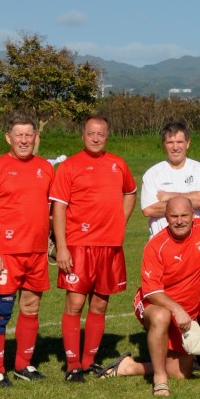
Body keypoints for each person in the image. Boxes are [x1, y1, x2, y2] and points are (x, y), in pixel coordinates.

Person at [101, 196, 200, 396]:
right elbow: (152, 292)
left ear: (193, 216)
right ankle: (159, 380)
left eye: (184, 215)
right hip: (154, 303)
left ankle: (128, 367)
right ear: (165, 217)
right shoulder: (156, 246)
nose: (179, 221)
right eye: (174, 216)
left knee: (181, 373)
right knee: (161, 316)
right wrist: (177, 309)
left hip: (185, 312)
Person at [50, 115, 137, 382]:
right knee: (75, 303)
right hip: (78, 245)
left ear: (107, 136)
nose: (96, 138)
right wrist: (62, 247)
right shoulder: (69, 166)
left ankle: (89, 361)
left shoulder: (118, 164)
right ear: (83, 135)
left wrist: (120, 221)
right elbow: (58, 208)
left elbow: (130, 192)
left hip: (109, 246)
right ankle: (72, 364)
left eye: (101, 134)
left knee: (99, 304)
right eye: (91, 133)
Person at [0, 115, 55, 387]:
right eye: (18, 135)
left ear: (35, 137)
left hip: (37, 253)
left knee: (31, 307)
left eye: (28, 135)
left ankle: (23, 365)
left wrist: (55, 240)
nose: (23, 140)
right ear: (8, 137)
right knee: (1, 311)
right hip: (6, 255)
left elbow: (52, 210)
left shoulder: (46, 168)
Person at [140, 121, 200, 238]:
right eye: (170, 142)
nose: (175, 147)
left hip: (194, 240)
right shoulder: (152, 174)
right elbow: (149, 209)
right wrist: (192, 201)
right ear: (164, 144)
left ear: (187, 143)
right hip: (161, 241)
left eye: (179, 142)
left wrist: (169, 196)